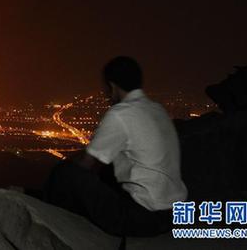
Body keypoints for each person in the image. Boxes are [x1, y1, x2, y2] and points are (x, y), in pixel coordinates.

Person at [44, 56, 187, 237]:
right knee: (107, 170)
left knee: (66, 172)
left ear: (112, 87)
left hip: (142, 218)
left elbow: (86, 164)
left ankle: (52, 223)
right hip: (173, 214)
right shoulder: (157, 109)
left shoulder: (121, 113)